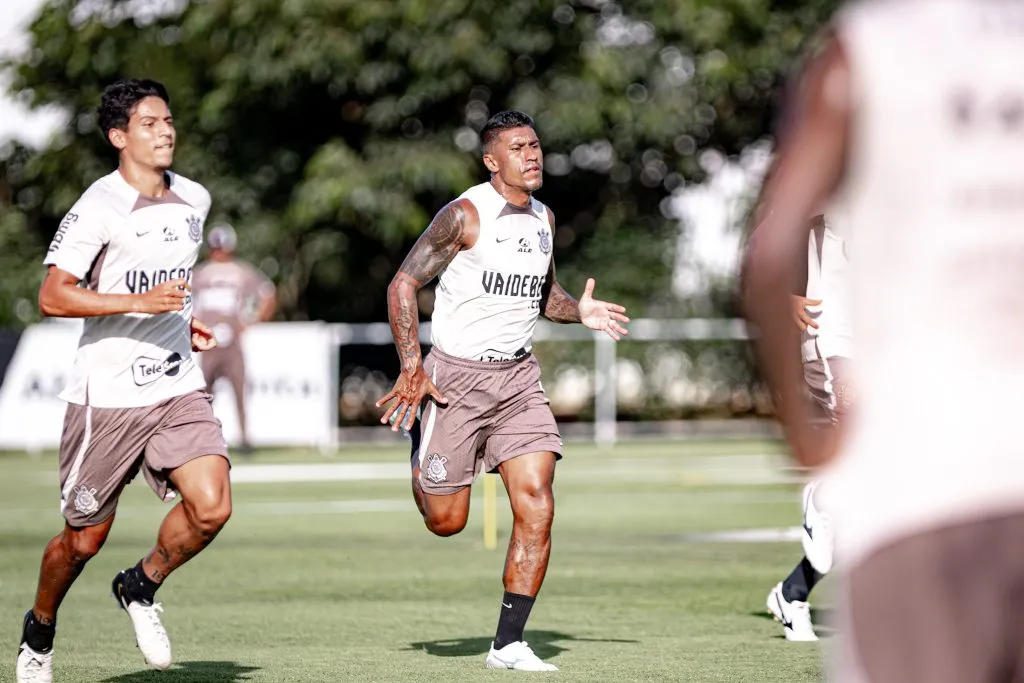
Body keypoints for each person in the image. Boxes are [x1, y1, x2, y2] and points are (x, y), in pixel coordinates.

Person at [743, 0, 1024, 680]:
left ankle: (796, 581)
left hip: (926, 472)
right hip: (851, 325)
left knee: (846, 471)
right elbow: (796, 232)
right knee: (846, 426)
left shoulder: (867, 54)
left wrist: (802, 437)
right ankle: (818, 525)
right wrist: (799, 292)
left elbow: (768, 241)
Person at [375, 110, 629, 672]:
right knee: (446, 521)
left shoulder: (544, 218)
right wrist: (413, 367)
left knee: (537, 500)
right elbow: (403, 283)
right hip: (454, 380)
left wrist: (578, 310)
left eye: (536, 145)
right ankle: (423, 451)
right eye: (518, 148)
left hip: (517, 380)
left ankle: (508, 643)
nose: (532, 155)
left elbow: (546, 296)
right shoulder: (464, 215)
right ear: (493, 160)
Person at [16, 79, 232, 683]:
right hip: (106, 397)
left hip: (174, 383)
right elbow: (54, 295)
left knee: (212, 507)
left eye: (168, 120)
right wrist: (140, 301)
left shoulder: (194, 198)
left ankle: (140, 586)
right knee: (81, 542)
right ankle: (39, 631)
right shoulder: (98, 207)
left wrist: (186, 321)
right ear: (119, 137)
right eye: (148, 123)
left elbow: (170, 285)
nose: (165, 131)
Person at [766, 212, 849, 642]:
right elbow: (783, 221)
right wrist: (791, 292)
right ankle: (819, 497)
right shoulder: (842, 156)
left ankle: (792, 593)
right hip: (836, 330)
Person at [191, 223, 277, 454]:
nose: (218, 251)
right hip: (207, 342)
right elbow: (185, 301)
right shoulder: (199, 273)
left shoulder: (242, 271)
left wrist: (251, 322)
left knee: (239, 389)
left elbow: (268, 294)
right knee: (204, 393)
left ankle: (245, 439)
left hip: (232, 341)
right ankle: (202, 439)